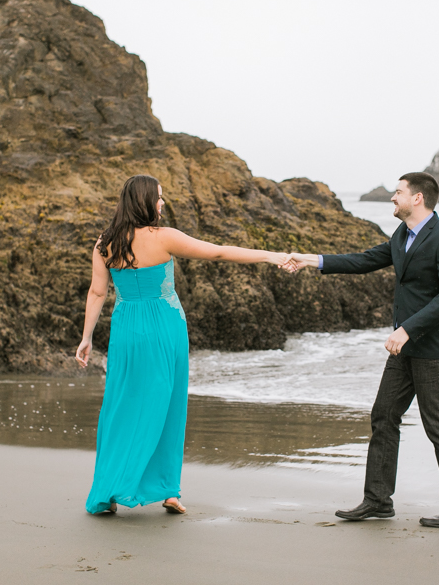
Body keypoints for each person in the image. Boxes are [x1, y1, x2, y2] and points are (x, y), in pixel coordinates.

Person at [76, 174, 291, 516]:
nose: (162, 203)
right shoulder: (163, 237)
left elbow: (97, 292)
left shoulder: (105, 242)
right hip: (164, 326)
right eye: (159, 198)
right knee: (168, 404)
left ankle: (108, 491)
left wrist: (87, 338)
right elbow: (218, 253)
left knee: (120, 406)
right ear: (145, 201)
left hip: (127, 329)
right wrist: (269, 256)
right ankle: (168, 490)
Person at [286, 172, 439, 528]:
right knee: (383, 416)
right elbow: (365, 259)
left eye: (399, 192)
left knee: (438, 425)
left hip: (432, 348)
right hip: (404, 349)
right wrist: (311, 260)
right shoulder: (402, 234)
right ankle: (377, 500)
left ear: (418, 198)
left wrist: (407, 329)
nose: (393, 198)